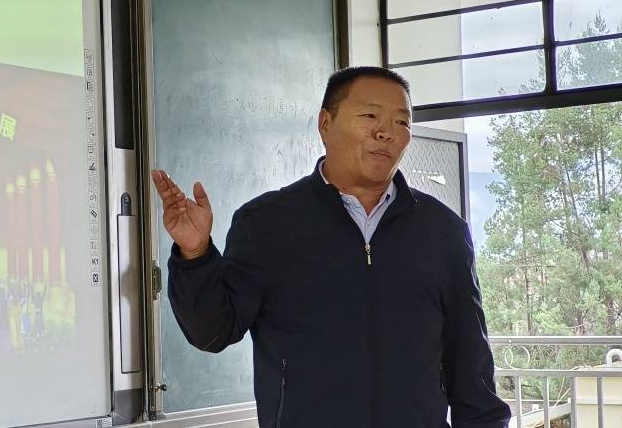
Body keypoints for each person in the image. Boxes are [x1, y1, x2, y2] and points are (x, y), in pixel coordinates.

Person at [153, 66, 510, 428]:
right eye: (369, 116)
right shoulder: (265, 223)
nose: (386, 132)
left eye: (402, 122)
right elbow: (213, 332)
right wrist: (195, 255)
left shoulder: (443, 231)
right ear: (325, 123)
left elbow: (471, 365)